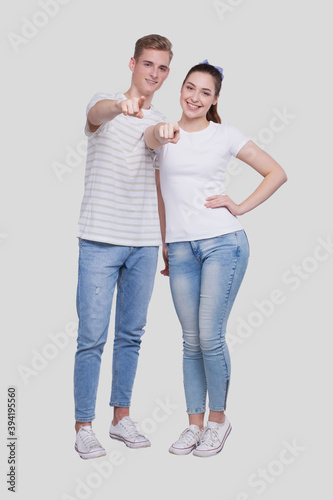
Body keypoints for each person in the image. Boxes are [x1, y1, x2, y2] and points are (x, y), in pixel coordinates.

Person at [144, 60, 287, 457]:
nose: (195, 97)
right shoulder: (163, 136)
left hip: (223, 243)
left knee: (209, 336)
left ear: (215, 99)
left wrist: (238, 206)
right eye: (190, 87)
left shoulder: (225, 135)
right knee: (190, 341)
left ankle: (219, 423)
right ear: (181, 89)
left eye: (205, 92)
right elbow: (160, 196)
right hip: (181, 249)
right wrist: (165, 244)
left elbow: (276, 172)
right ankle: (194, 425)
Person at [74, 34, 173, 459]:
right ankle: (83, 425)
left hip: (145, 244)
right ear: (132, 63)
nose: (154, 73)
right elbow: (97, 116)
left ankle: (121, 418)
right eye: (148, 64)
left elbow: (157, 176)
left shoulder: (164, 121)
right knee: (92, 337)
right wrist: (121, 107)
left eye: (163, 67)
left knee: (131, 335)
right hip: (99, 240)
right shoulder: (106, 102)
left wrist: (166, 242)